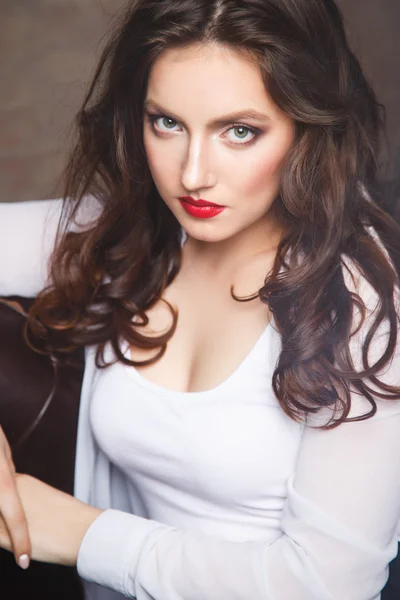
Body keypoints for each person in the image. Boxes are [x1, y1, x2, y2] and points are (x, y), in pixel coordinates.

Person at [0, 0, 400, 598]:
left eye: (239, 131)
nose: (191, 175)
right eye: (166, 123)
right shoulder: (129, 238)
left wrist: (84, 536)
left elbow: (331, 583)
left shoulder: (361, 300)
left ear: (309, 125)